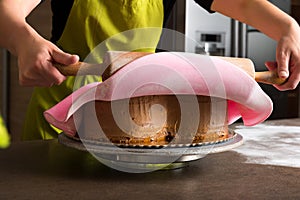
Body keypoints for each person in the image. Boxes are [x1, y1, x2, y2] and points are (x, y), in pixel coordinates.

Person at [0, 0, 299, 140]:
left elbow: (244, 4)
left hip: (140, 127)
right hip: (59, 126)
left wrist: (289, 27)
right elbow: (7, 10)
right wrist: (24, 41)